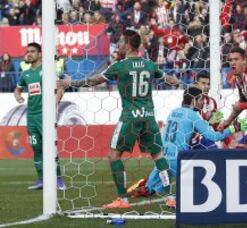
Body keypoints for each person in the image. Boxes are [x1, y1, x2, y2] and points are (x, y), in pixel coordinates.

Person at [57, 29, 180, 209]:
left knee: (114, 155)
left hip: (130, 117)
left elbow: (93, 81)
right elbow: (169, 79)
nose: (119, 44)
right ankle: (170, 196)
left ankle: (122, 199)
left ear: (129, 45)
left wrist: (71, 83)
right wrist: (177, 81)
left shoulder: (120, 66)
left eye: (122, 41)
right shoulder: (149, 64)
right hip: (148, 116)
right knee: (158, 155)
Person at [127, 87, 245, 207]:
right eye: (200, 100)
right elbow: (212, 136)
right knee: (200, 186)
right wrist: (232, 129)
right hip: (178, 160)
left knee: (157, 182)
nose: (202, 102)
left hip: (162, 157)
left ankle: (148, 188)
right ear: (193, 100)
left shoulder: (173, 111)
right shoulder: (193, 115)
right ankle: (173, 199)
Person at [13, 42, 66, 190]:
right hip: (31, 116)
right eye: (27, 51)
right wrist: (18, 96)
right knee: (36, 148)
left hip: (45, 116)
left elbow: (60, 87)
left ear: (40, 54)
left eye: (32, 51)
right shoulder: (26, 74)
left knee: (51, 148)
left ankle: (59, 179)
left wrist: (54, 104)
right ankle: (41, 179)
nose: (29, 54)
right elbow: (17, 90)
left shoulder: (47, 70)